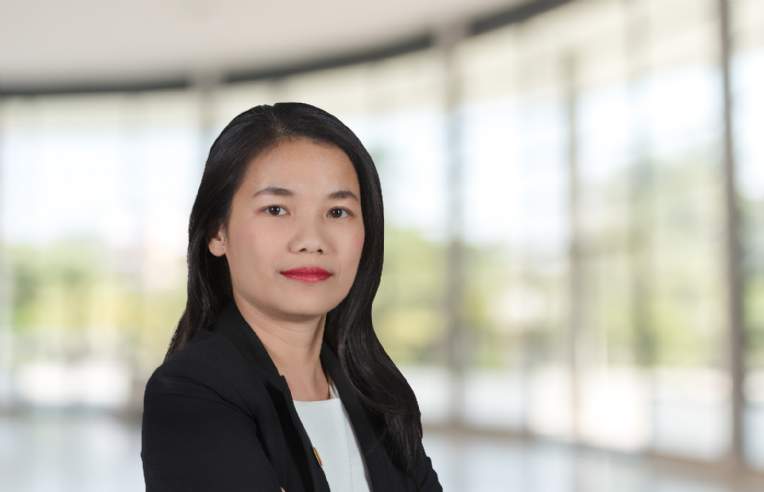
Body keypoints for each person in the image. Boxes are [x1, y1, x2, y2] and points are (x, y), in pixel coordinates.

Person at [140, 102, 443, 491]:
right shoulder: (191, 392)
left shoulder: (377, 394)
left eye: (337, 212)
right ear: (218, 232)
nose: (311, 240)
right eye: (276, 209)